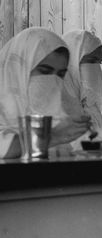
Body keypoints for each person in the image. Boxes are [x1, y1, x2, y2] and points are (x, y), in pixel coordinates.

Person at [0, 27, 90, 159]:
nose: (52, 81)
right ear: (19, 70)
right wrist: (52, 136)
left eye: (60, 74)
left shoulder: (64, 111)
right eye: (45, 71)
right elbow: (4, 149)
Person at [62, 30, 102, 150]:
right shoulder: (58, 106)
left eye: (99, 63)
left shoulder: (91, 108)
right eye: (91, 61)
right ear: (72, 61)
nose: (96, 68)